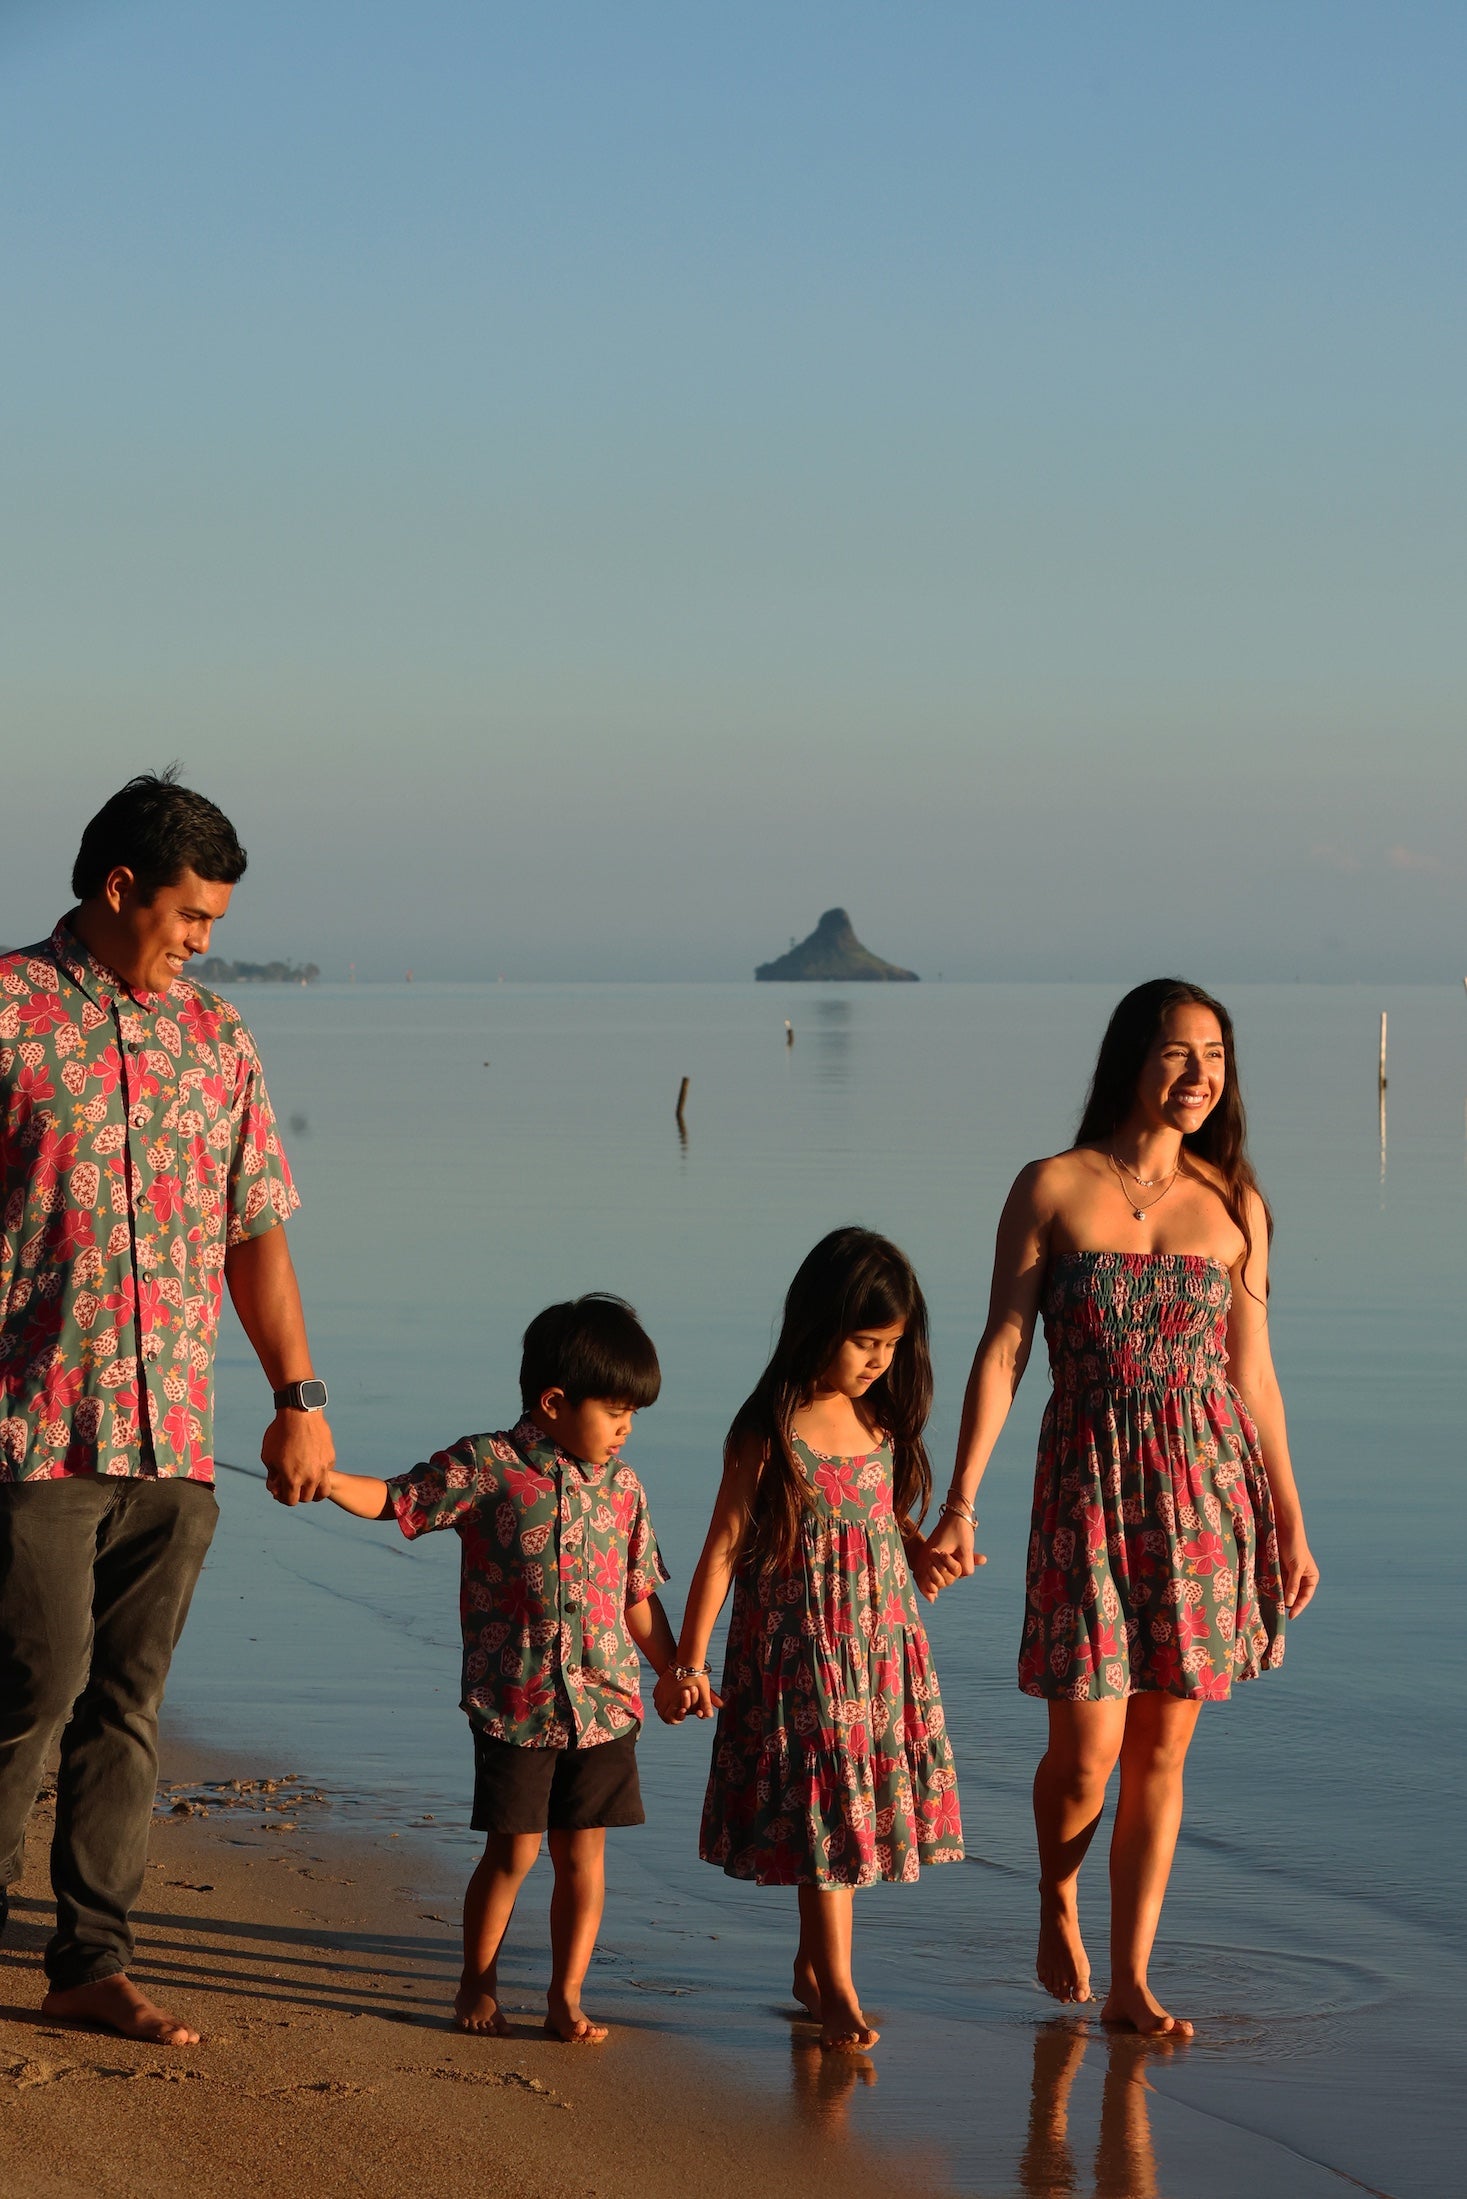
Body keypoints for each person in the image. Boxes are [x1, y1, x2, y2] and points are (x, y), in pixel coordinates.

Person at [0, 769, 334, 2047]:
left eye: (216, 923)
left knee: (125, 1710)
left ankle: (92, 1958)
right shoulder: (11, 1014)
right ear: (118, 887)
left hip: (172, 1440)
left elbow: (257, 1233)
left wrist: (296, 1396)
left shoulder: (218, 1039)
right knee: (28, 1686)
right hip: (31, 1429)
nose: (201, 942)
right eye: (190, 915)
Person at [920, 978, 1320, 2037]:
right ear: (1131, 1059)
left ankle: (1135, 1978)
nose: (1200, 1077)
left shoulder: (1236, 1207)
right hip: (1087, 1490)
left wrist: (1287, 1517)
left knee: (1162, 1755)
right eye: (1180, 1054)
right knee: (1087, 1750)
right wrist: (960, 1498)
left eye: (1217, 1060)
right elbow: (1004, 1349)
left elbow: (1256, 1378)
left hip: (1202, 1497)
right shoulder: (1052, 1187)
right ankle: (1056, 1892)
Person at [314, 1293, 676, 2044]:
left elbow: (636, 1594)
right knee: (513, 1850)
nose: (626, 1428)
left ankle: (565, 1995)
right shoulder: (488, 1466)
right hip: (517, 1702)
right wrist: (326, 1480)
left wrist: (673, 1667)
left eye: (632, 1414)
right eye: (614, 1411)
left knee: (585, 1853)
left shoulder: (625, 1488)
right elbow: (397, 1500)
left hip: (605, 1703)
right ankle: (476, 1981)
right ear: (553, 1401)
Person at [658, 1227, 963, 2053]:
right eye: (865, 1341)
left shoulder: (879, 1419)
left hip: (878, 1648)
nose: (877, 1360)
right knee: (829, 1800)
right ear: (818, 1323)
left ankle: (810, 1965)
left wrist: (919, 1552)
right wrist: (686, 1660)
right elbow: (722, 1545)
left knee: (837, 1806)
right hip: (800, 1649)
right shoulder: (771, 1429)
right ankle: (837, 1986)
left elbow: (875, 1516)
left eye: (891, 1346)